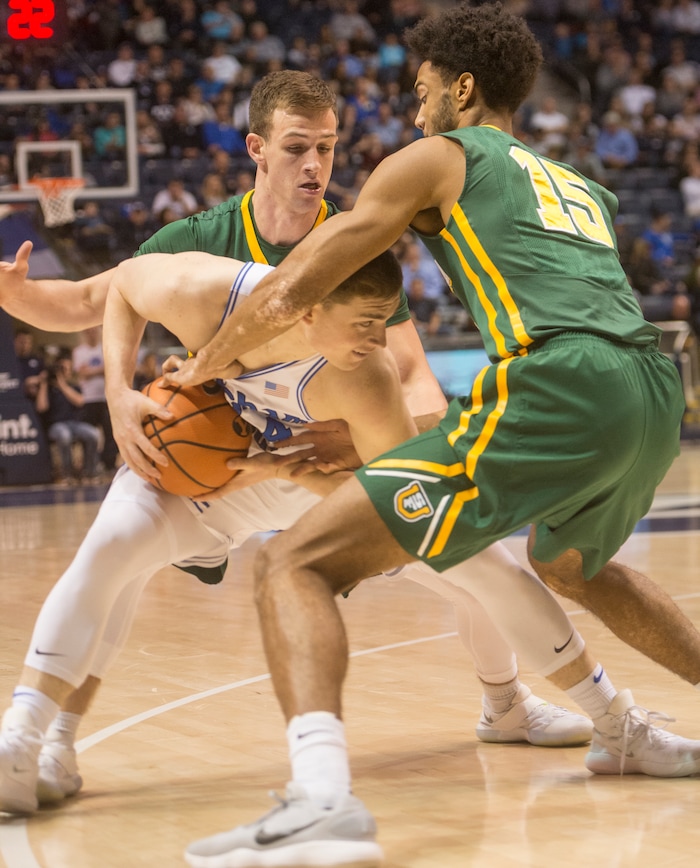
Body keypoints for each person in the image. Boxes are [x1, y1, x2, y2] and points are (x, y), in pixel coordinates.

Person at [168, 6, 700, 866]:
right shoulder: (579, 184)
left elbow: (305, 274)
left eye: (421, 91)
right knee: (571, 567)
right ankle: (620, 733)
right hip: (650, 391)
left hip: (560, 381)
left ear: (461, 88)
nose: (414, 112)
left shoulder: (440, 156)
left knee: (294, 563)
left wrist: (204, 365)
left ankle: (320, 806)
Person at [0, 69, 588, 810]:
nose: (315, 166)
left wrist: (371, 444)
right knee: (117, 555)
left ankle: (506, 705)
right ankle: (51, 739)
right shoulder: (202, 236)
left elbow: (414, 378)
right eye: (297, 148)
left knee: (469, 547)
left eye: (328, 149)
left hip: (320, 463)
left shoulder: (354, 243)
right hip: (219, 464)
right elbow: (95, 297)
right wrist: (18, 299)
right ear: (257, 149)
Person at [35, 350, 101, 485]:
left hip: (75, 424)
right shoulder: (47, 388)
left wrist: (62, 385)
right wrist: (43, 383)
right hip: (56, 425)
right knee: (64, 435)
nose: (63, 372)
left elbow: (80, 401)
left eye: (66, 369)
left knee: (93, 434)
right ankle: (67, 475)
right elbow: (41, 407)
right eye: (61, 368)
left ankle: (90, 473)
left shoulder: (73, 386)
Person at [72, 326, 119, 476]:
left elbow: (112, 368)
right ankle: (89, 465)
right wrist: (101, 369)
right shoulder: (79, 352)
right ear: (85, 333)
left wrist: (91, 371)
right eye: (89, 331)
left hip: (106, 398)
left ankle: (109, 465)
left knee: (110, 434)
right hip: (88, 399)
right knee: (88, 435)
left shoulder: (105, 348)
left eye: (94, 330)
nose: (92, 333)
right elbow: (81, 373)